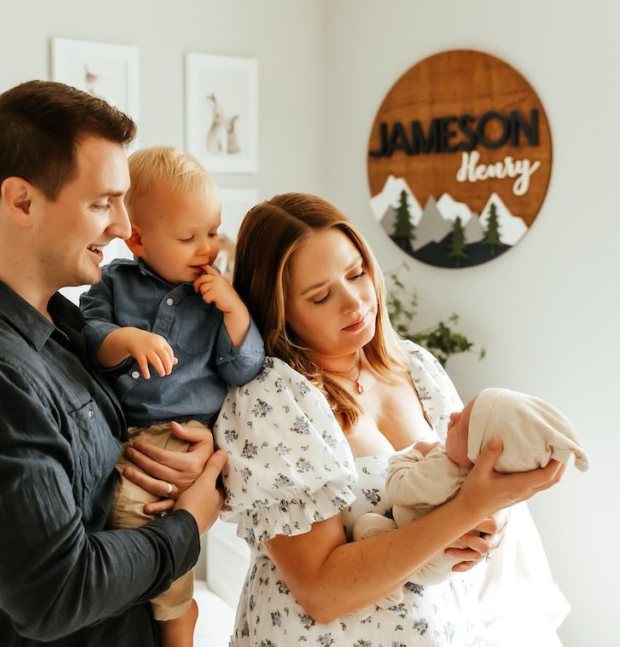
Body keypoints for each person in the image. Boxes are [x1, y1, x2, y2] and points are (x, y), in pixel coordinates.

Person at [0, 80, 226, 647]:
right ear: (22, 200)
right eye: (102, 203)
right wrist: (188, 523)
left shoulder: (61, 324)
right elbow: (58, 594)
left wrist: (189, 454)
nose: (124, 228)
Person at [210, 192, 566, 646]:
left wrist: (481, 531)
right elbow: (321, 591)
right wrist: (467, 510)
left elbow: (459, 495)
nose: (355, 302)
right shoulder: (273, 401)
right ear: (280, 311)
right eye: (321, 296)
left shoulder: (416, 367)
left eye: (357, 273)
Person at [78, 145, 265, 647]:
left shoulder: (215, 298)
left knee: (139, 515)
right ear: (137, 239)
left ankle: (177, 617)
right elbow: (84, 334)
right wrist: (123, 340)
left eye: (212, 230)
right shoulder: (113, 283)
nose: (206, 247)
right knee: (104, 514)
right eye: (188, 237)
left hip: (180, 435)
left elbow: (243, 367)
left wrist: (235, 315)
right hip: (120, 431)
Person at [353, 387, 589, 587]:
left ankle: (386, 595)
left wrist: (414, 454)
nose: (452, 416)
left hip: (422, 566)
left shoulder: (445, 469)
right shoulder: (485, 481)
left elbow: (398, 487)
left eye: (462, 425)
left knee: (367, 526)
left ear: (479, 455)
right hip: (444, 566)